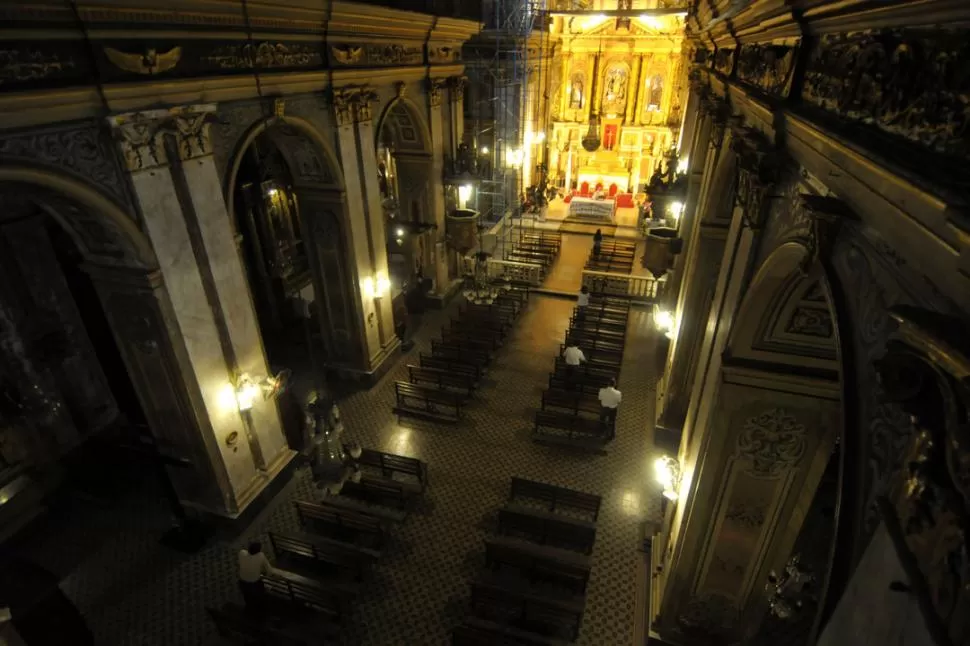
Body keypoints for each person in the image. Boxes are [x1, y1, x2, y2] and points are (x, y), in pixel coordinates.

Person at [238, 541, 275, 611]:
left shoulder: (241, 553)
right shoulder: (261, 556)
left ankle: (249, 605)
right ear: (258, 551)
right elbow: (270, 571)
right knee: (259, 597)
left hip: (242, 582)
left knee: (247, 596)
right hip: (255, 583)